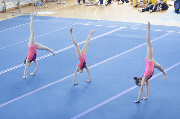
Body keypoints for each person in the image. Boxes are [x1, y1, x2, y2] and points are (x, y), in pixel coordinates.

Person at [134, 22, 167, 103]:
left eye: (140, 84)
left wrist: (138, 99)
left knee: (149, 44)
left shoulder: (144, 78)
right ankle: (165, 73)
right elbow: (147, 88)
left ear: (140, 81)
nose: (141, 85)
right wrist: (146, 96)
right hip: (152, 65)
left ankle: (148, 29)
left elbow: (142, 89)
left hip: (149, 60)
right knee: (159, 67)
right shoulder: (146, 79)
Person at [23, 13, 55, 79]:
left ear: (26, 62)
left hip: (31, 45)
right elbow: (37, 67)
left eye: (28, 64)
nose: (29, 65)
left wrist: (25, 75)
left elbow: (25, 68)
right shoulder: (33, 59)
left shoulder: (28, 59)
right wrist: (33, 73)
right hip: (35, 46)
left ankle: (31, 19)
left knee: (32, 32)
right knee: (44, 48)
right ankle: (51, 50)